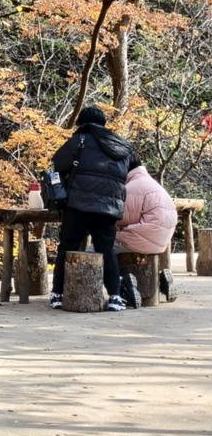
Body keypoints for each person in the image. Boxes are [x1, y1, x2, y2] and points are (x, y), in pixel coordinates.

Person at [48, 105, 137, 312]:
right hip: (109, 207)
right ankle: (115, 296)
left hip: (78, 204)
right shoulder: (122, 146)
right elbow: (129, 171)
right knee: (106, 250)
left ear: (82, 122)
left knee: (68, 246)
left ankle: (58, 294)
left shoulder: (80, 140)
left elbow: (58, 163)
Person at [115, 158, 178, 300]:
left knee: (99, 249)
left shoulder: (132, 187)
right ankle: (160, 280)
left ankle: (121, 283)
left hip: (143, 238)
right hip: (161, 241)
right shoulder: (151, 183)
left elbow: (120, 216)